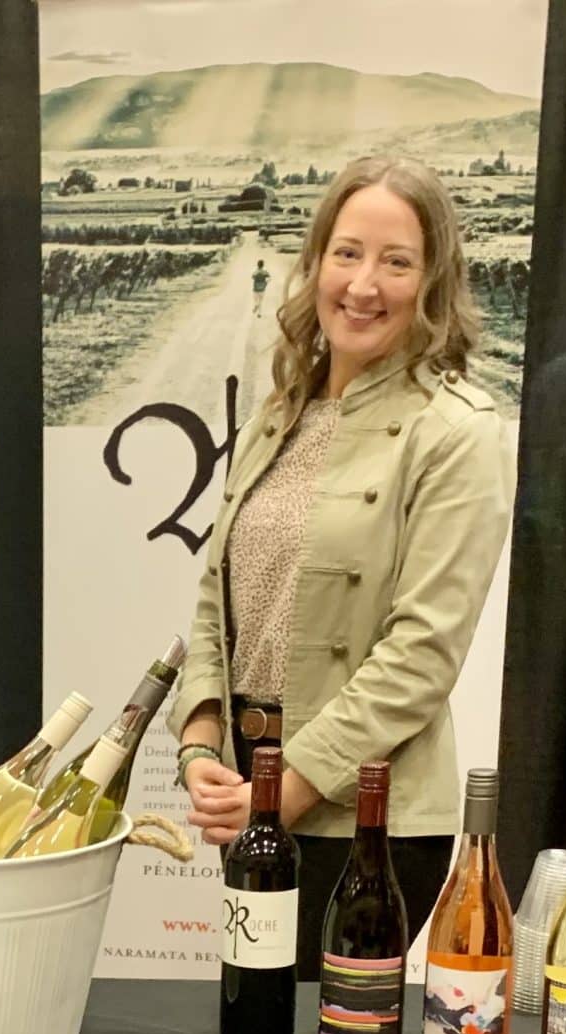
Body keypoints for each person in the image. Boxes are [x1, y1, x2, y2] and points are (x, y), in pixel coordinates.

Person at [170, 155, 510, 976]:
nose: (364, 285)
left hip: (365, 818)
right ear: (316, 260)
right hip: (252, 789)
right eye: (347, 253)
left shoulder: (457, 432)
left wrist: (286, 790)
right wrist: (200, 741)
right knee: (252, 1031)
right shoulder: (280, 414)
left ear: (434, 283)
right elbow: (218, 602)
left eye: (397, 262)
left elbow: (420, 656)